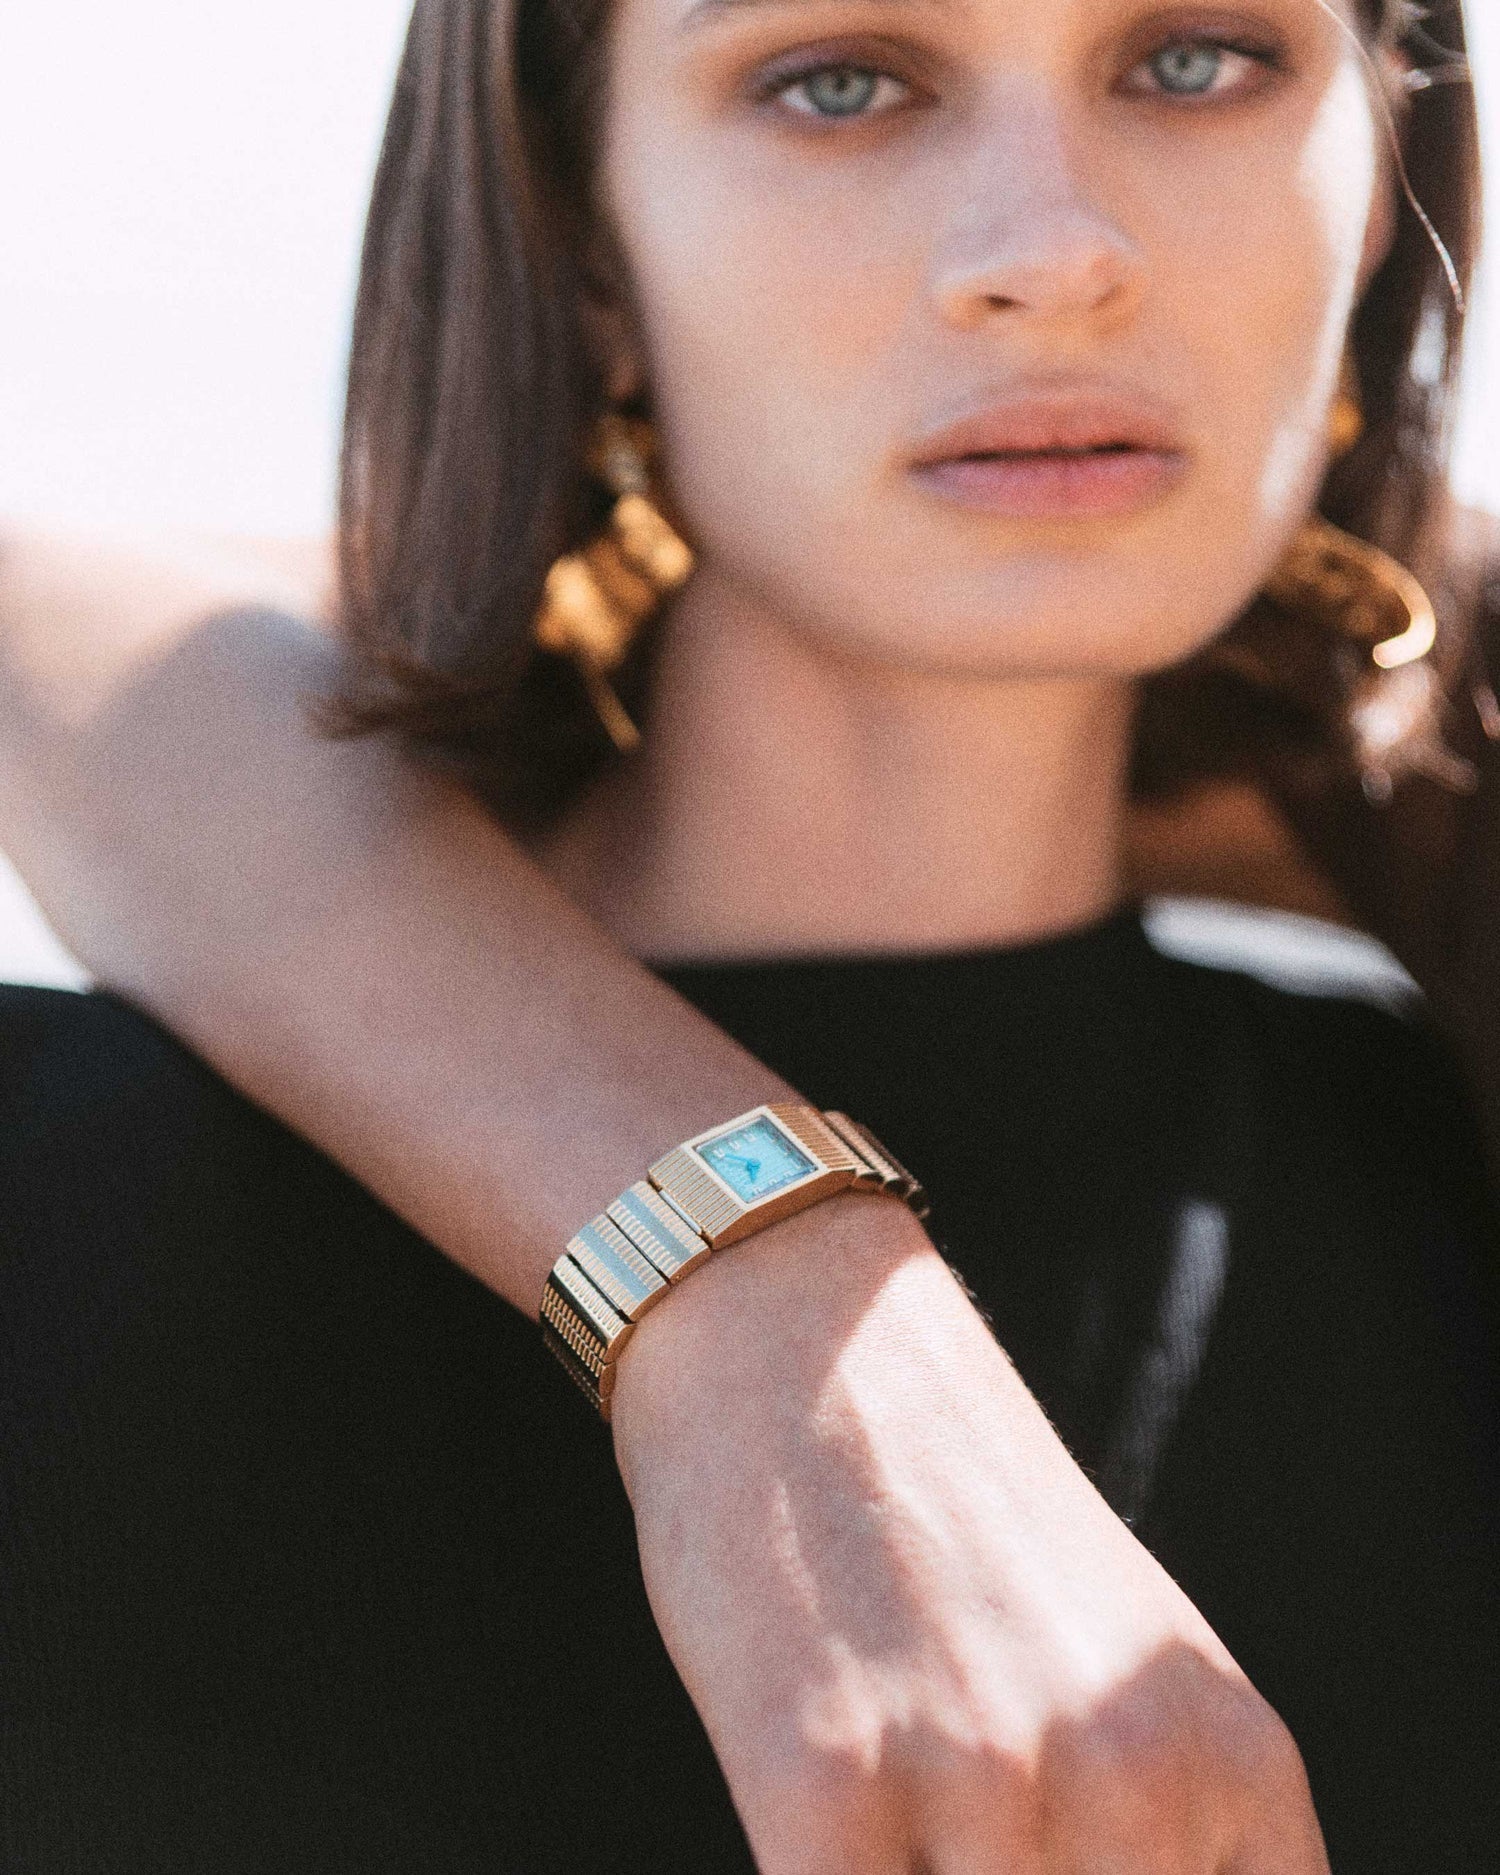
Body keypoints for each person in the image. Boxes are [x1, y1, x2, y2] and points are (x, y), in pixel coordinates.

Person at [0, 0, 1496, 1869]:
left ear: (1382, 188)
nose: (1056, 253)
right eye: (838, 82)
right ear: (584, 246)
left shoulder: (1440, 1180)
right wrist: (754, 1297)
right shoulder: (55, 1213)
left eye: (1196, 59)